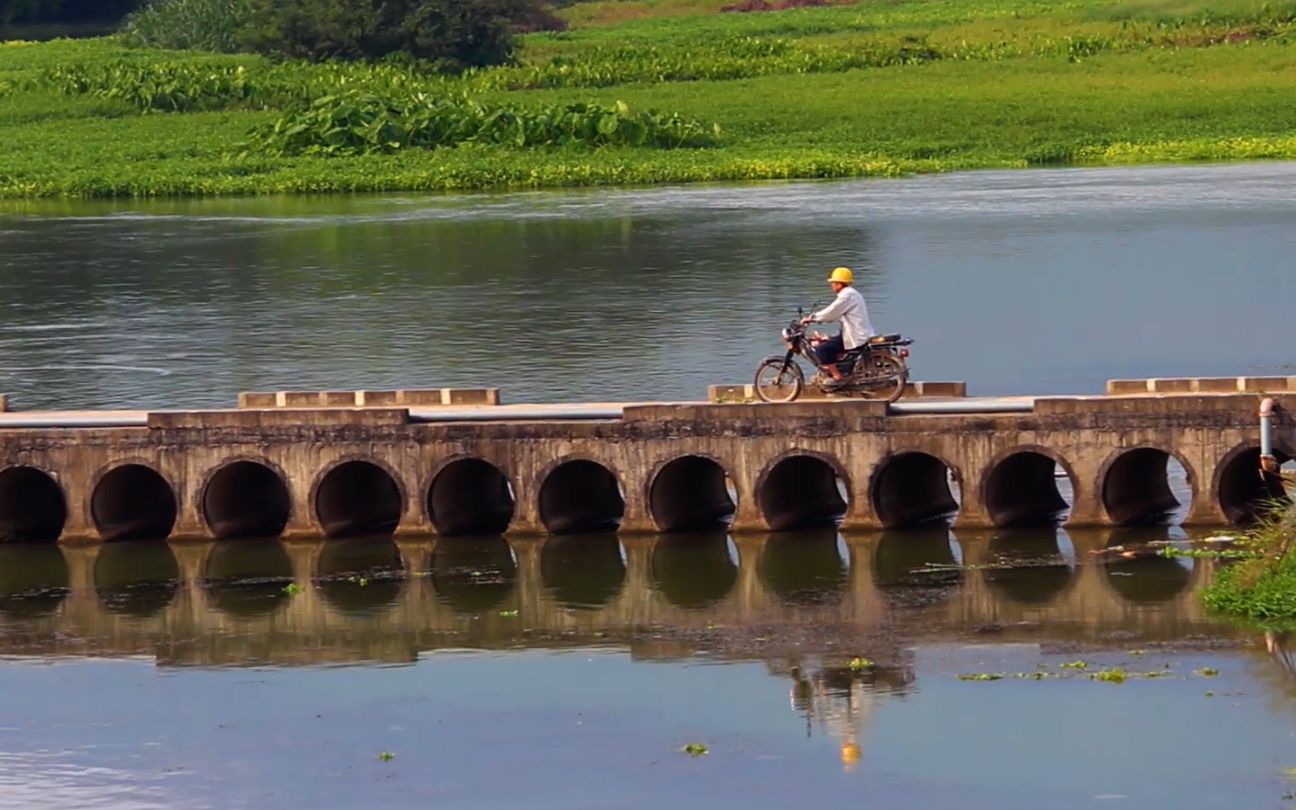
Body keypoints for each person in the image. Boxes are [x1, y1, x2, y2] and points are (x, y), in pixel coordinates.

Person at [801, 266, 875, 388]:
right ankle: (835, 371)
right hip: (854, 332)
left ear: (840, 284)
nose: (832, 286)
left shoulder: (846, 296)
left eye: (833, 283)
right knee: (826, 341)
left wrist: (812, 318)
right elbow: (836, 314)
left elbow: (832, 311)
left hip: (855, 335)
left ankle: (837, 376)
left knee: (822, 349)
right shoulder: (851, 294)